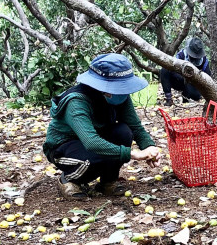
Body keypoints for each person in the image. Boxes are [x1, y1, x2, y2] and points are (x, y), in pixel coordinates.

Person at [44, 53, 162, 199]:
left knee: (123, 132)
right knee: (92, 158)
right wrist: (133, 154)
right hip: (64, 147)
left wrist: (149, 147)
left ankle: (107, 182)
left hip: (95, 139)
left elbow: (135, 126)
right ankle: (69, 179)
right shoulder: (76, 101)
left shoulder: (119, 96)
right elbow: (91, 142)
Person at [160, 37, 211, 105]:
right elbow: (174, 68)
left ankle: (186, 98)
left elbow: (207, 77)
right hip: (181, 80)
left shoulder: (204, 61)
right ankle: (169, 99)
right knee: (165, 70)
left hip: (194, 83)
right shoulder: (181, 55)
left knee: (195, 96)